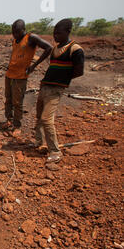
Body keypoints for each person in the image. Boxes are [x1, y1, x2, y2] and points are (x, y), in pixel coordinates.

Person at [34, 19, 85, 163]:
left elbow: (79, 71)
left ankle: (55, 151)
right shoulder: (56, 48)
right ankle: (38, 141)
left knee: (46, 119)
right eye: (54, 33)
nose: (55, 35)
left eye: (59, 33)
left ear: (68, 32)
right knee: (39, 116)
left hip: (56, 88)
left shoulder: (75, 49)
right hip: (45, 86)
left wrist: (63, 80)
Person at [4, 19, 53, 135]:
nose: (14, 34)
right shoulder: (15, 39)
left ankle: (17, 126)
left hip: (20, 76)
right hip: (10, 74)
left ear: (23, 29)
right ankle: (9, 120)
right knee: (8, 99)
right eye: (13, 32)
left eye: (17, 32)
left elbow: (49, 48)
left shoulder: (31, 38)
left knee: (17, 102)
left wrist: (34, 66)